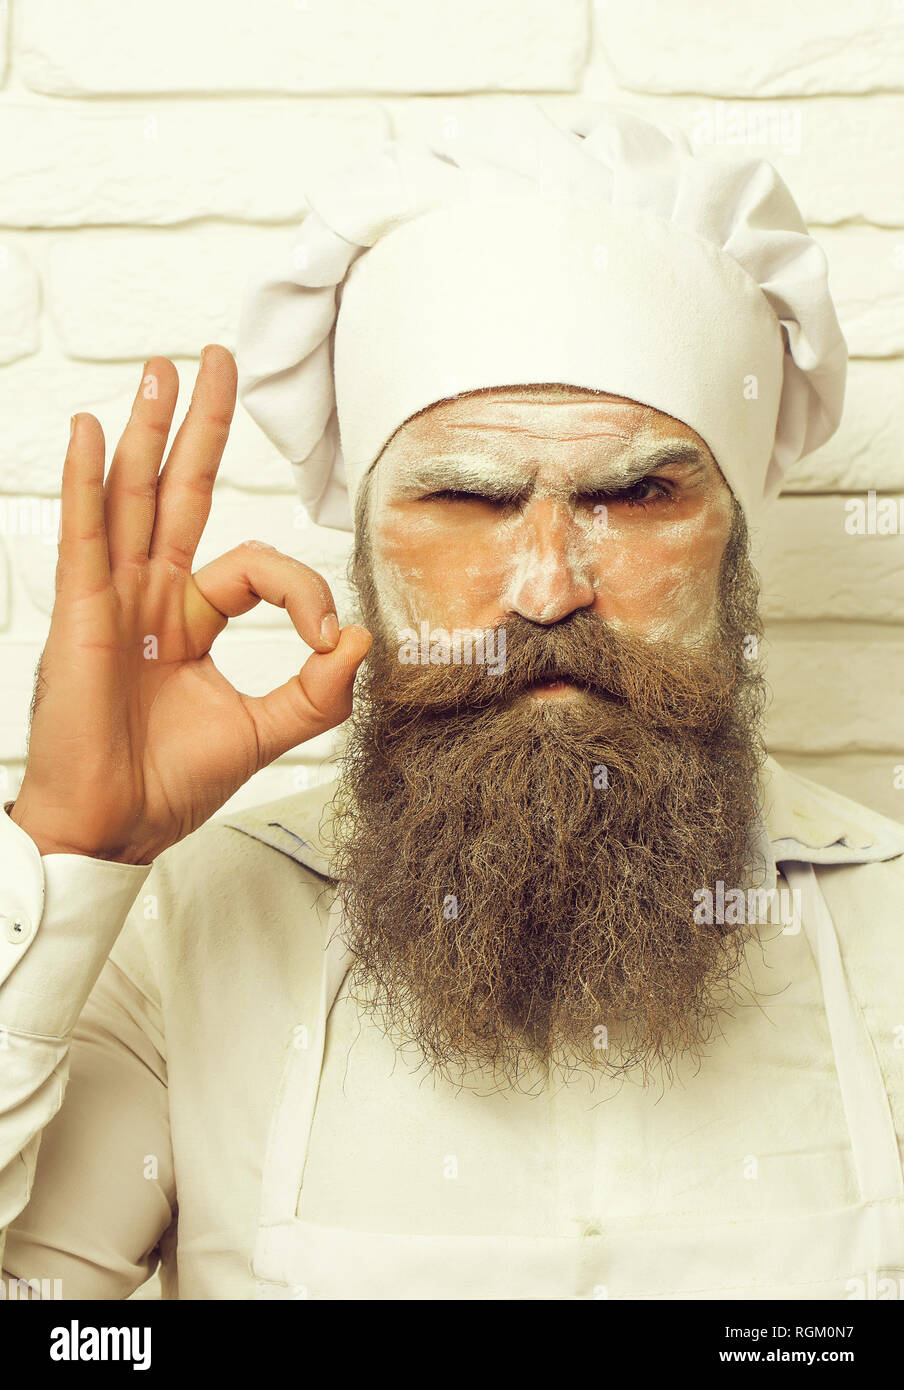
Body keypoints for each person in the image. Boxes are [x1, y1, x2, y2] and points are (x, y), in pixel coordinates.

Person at [1, 102, 902, 1301]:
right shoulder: (181, 938)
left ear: (734, 548)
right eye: (468, 502)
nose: (545, 590)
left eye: (634, 493)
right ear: (365, 554)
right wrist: (67, 852)